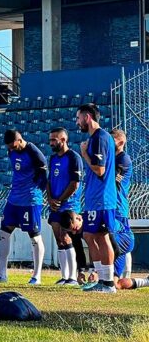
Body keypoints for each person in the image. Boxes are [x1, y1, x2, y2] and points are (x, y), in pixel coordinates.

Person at [0, 129, 47, 285]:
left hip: (30, 200)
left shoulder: (33, 151)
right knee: (4, 232)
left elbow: (43, 171)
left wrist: (41, 191)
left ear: (20, 140)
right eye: (9, 147)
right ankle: (2, 274)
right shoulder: (10, 151)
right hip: (14, 199)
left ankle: (36, 276)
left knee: (34, 236)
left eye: (13, 146)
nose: (11, 150)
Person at [76, 103, 118, 293]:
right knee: (89, 234)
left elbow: (99, 169)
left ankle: (108, 283)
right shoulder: (99, 138)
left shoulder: (99, 138)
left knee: (101, 236)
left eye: (78, 118)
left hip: (101, 198)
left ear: (87, 117)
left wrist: (84, 154)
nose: (77, 122)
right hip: (96, 197)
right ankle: (102, 279)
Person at [60, 211, 134, 290]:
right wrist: (81, 271)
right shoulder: (74, 228)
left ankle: (100, 280)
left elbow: (114, 249)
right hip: (115, 249)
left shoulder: (93, 221)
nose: (74, 233)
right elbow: (79, 250)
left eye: (75, 229)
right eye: (71, 231)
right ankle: (146, 281)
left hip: (124, 238)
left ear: (79, 218)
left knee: (95, 241)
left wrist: (97, 272)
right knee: (115, 285)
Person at [46, 128, 83, 286]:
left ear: (63, 139)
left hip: (69, 204)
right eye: (50, 140)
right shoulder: (53, 158)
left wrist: (59, 200)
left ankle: (72, 277)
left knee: (66, 237)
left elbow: (75, 184)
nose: (51, 143)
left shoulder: (74, 157)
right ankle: (64, 275)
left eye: (54, 140)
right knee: (59, 239)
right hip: (55, 204)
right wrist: (49, 198)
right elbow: (49, 180)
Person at [111, 129, 133, 278]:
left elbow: (111, 180)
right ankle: (117, 275)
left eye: (112, 140)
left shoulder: (123, 159)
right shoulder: (112, 158)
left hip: (119, 207)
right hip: (112, 206)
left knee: (122, 240)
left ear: (121, 142)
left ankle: (125, 274)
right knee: (114, 239)